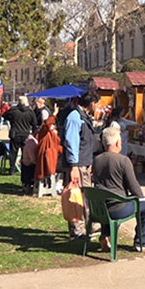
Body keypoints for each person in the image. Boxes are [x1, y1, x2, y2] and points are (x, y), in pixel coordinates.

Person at [92, 126, 145, 250]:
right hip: (118, 208)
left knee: (108, 197)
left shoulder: (96, 160)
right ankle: (142, 241)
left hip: (100, 208)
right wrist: (143, 197)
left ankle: (106, 235)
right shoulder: (123, 161)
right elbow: (134, 187)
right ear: (117, 143)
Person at [62, 90, 100, 239]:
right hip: (77, 165)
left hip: (84, 162)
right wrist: (74, 166)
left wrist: (89, 162)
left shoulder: (84, 117)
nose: (98, 106)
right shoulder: (75, 117)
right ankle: (77, 231)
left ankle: (90, 226)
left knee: (86, 196)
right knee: (76, 197)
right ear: (92, 104)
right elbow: (71, 142)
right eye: (97, 103)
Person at [3, 96, 38, 177]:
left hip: (15, 134)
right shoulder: (30, 112)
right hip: (25, 134)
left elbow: (4, 115)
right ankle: (24, 169)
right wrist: (33, 133)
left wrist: (11, 119)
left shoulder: (13, 110)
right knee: (24, 153)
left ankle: (12, 169)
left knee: (13, 152)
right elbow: (34, 123)